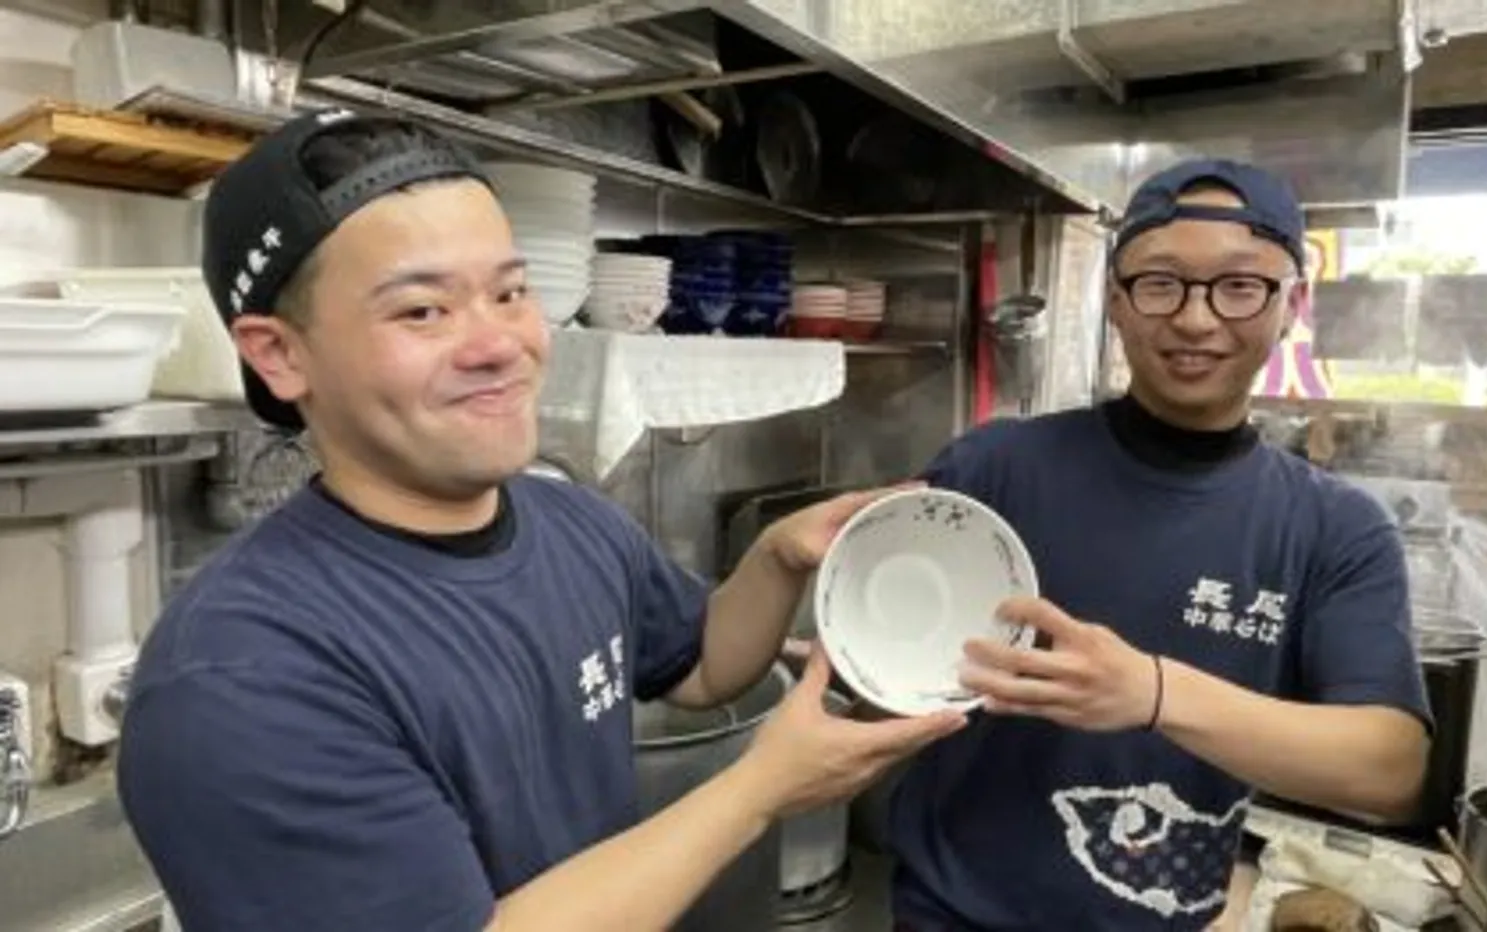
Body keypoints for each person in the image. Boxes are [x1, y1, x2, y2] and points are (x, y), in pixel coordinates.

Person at [116, 108, 965, 932]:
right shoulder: (241, 680)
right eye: (422, 311)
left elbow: (699, 665)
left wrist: (781, 559)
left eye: (509, 291)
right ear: (279, 353)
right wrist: (760, 791)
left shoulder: (566, 522)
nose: (498, 343)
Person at [882, 159, 1433, 931]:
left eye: (1240, 286)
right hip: (952, 915)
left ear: (1292, 305)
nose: (1197, 320)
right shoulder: (992, 466)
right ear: (1115, 299)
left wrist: (1153, 693)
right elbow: (891, 653)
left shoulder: (1336, 528)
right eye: (1161, 282)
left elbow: (1388, 767)